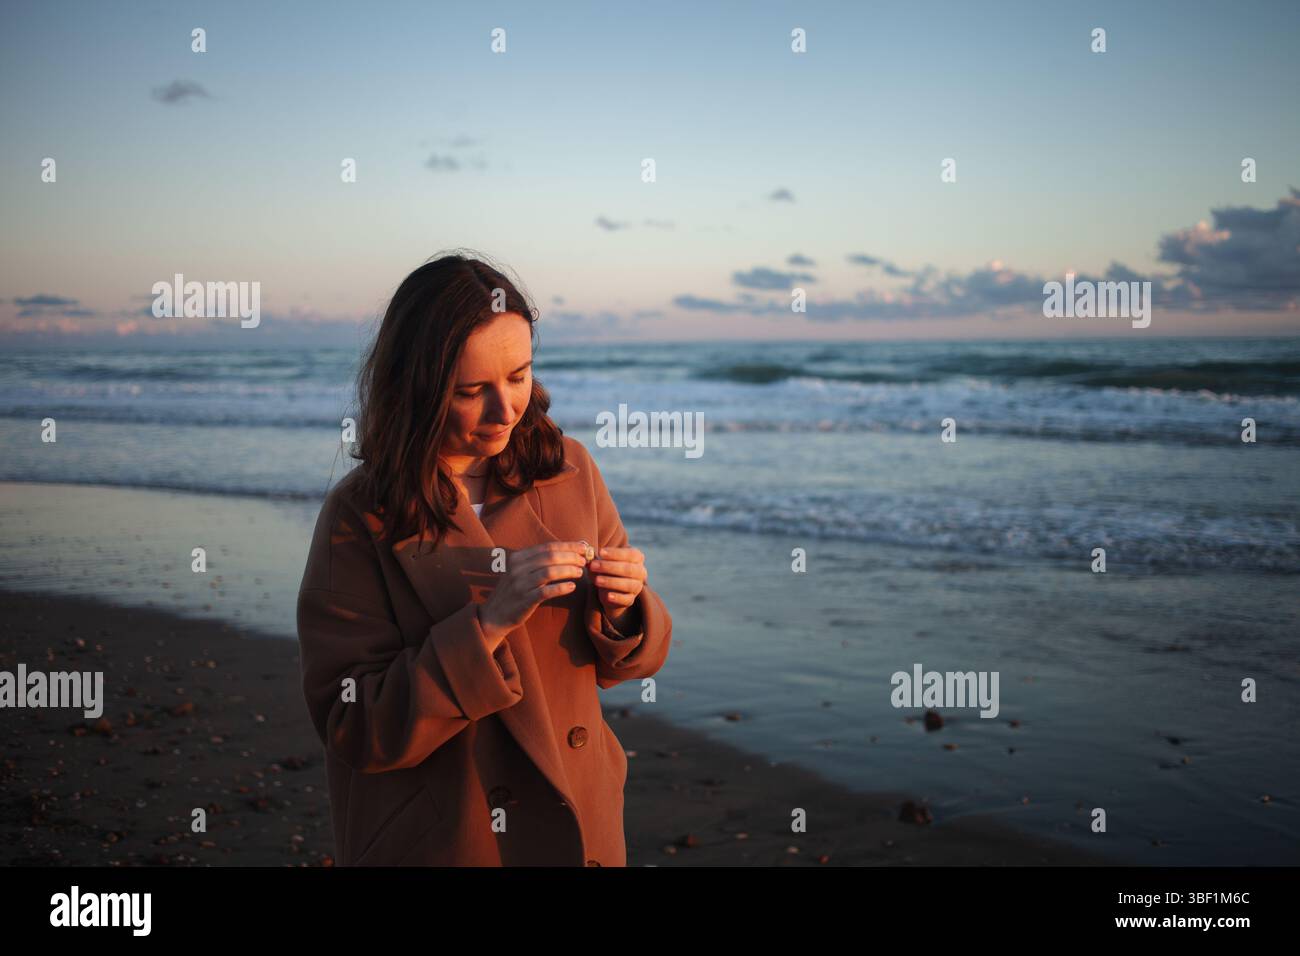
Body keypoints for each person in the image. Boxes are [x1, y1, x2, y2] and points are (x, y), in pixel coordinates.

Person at [295, 252, 672, 866]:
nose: (507, 411)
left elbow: (630, 663)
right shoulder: (359, 516)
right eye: (472, 391)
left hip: (580, 822)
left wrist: (628, 610)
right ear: (417, 386)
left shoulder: (569, 469)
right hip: (448, 837)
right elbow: (352, 723)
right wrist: (489, 623)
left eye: (519, 376)